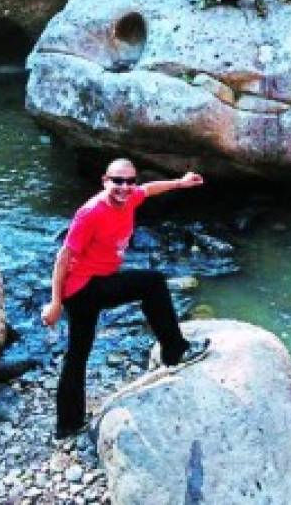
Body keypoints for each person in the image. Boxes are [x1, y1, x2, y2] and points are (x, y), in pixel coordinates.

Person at [41, 158, 210, 439]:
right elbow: (63, 258)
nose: (125, 187)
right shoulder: (91, 213)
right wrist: (55, 302)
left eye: (130, 181)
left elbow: (150, 189)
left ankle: (68, 425)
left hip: (93, 284)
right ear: (105, 181)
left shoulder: (130, 198)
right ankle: (175, 350)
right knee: (152, 284)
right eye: (117, 181)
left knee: (77, 354)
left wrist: (180, 183)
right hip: (83, 288)